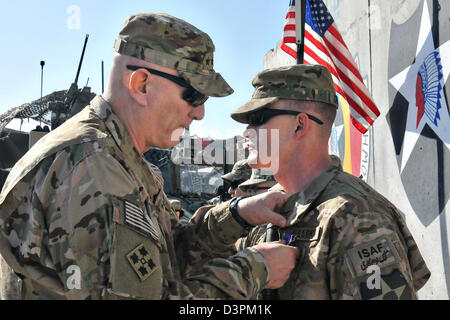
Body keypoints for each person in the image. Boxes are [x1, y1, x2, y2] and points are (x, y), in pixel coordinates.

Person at [0, 13, 299, 300]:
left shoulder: (124, 161)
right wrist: (254, 270)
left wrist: (237, 215)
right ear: (141, 84)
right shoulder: (92, 168)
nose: (200, 112)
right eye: (193, 95)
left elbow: (171, 255)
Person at [230, 64, 431, 300]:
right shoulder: (270, 204)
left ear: (300, 125)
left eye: (257, 118)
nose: (247, 131)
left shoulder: (356, 216)